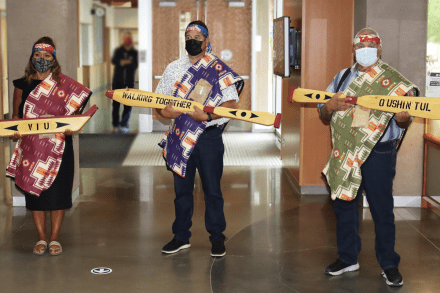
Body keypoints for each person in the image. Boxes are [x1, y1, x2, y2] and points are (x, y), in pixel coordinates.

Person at [318, 28, 419, 287]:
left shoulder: (392, 81)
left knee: (381, 209)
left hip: (379, 153)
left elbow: (406, 119)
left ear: (380, 49)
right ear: (353, 49)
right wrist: (328, 106)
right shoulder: (342, 78)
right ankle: (348, 257)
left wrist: (404, 119)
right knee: (345, 205)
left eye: (371, 46)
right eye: (360, 46)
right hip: (345, 151)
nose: (365, 50)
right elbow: (323, 112)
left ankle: (389, 264)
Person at [156, 21, 244, 257]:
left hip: (208, 138)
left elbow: (231, 105)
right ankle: (181, 236)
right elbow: (159, 104)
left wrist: (205, 114)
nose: (192, 39)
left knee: (212, 190)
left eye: (197, 35)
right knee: (181, 191)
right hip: (179, 135)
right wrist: (167, 112)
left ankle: (217, 237)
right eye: (188, 35)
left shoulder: (218, 69)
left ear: (206, 41)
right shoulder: (174, 68)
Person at [7, 37, 91, 256]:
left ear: (53, 58)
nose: (42, 59)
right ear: (31, 56)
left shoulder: (65, 85)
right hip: (32, 149)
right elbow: (16, 116)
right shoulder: (21, 85)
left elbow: (75, 115)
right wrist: (15, 131)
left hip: (58, 147)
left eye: (46, 55)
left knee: (57, 193)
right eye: (38, 55)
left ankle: (54, 238)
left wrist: (72, 127)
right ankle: (41, 238)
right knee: (36, 197)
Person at [111, 32, 138, 134]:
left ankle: (124, 123)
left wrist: (124, 62)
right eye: (126, 38)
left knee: (128, 104)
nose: (128, 40)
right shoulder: (118, 51)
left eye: (129, 38)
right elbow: (115, 61)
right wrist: (125, 62)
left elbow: (135, 64)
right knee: (116, 104)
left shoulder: (134, 52)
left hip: (129, 82)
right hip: (117, 81)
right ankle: (115, 124)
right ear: (123, 39)